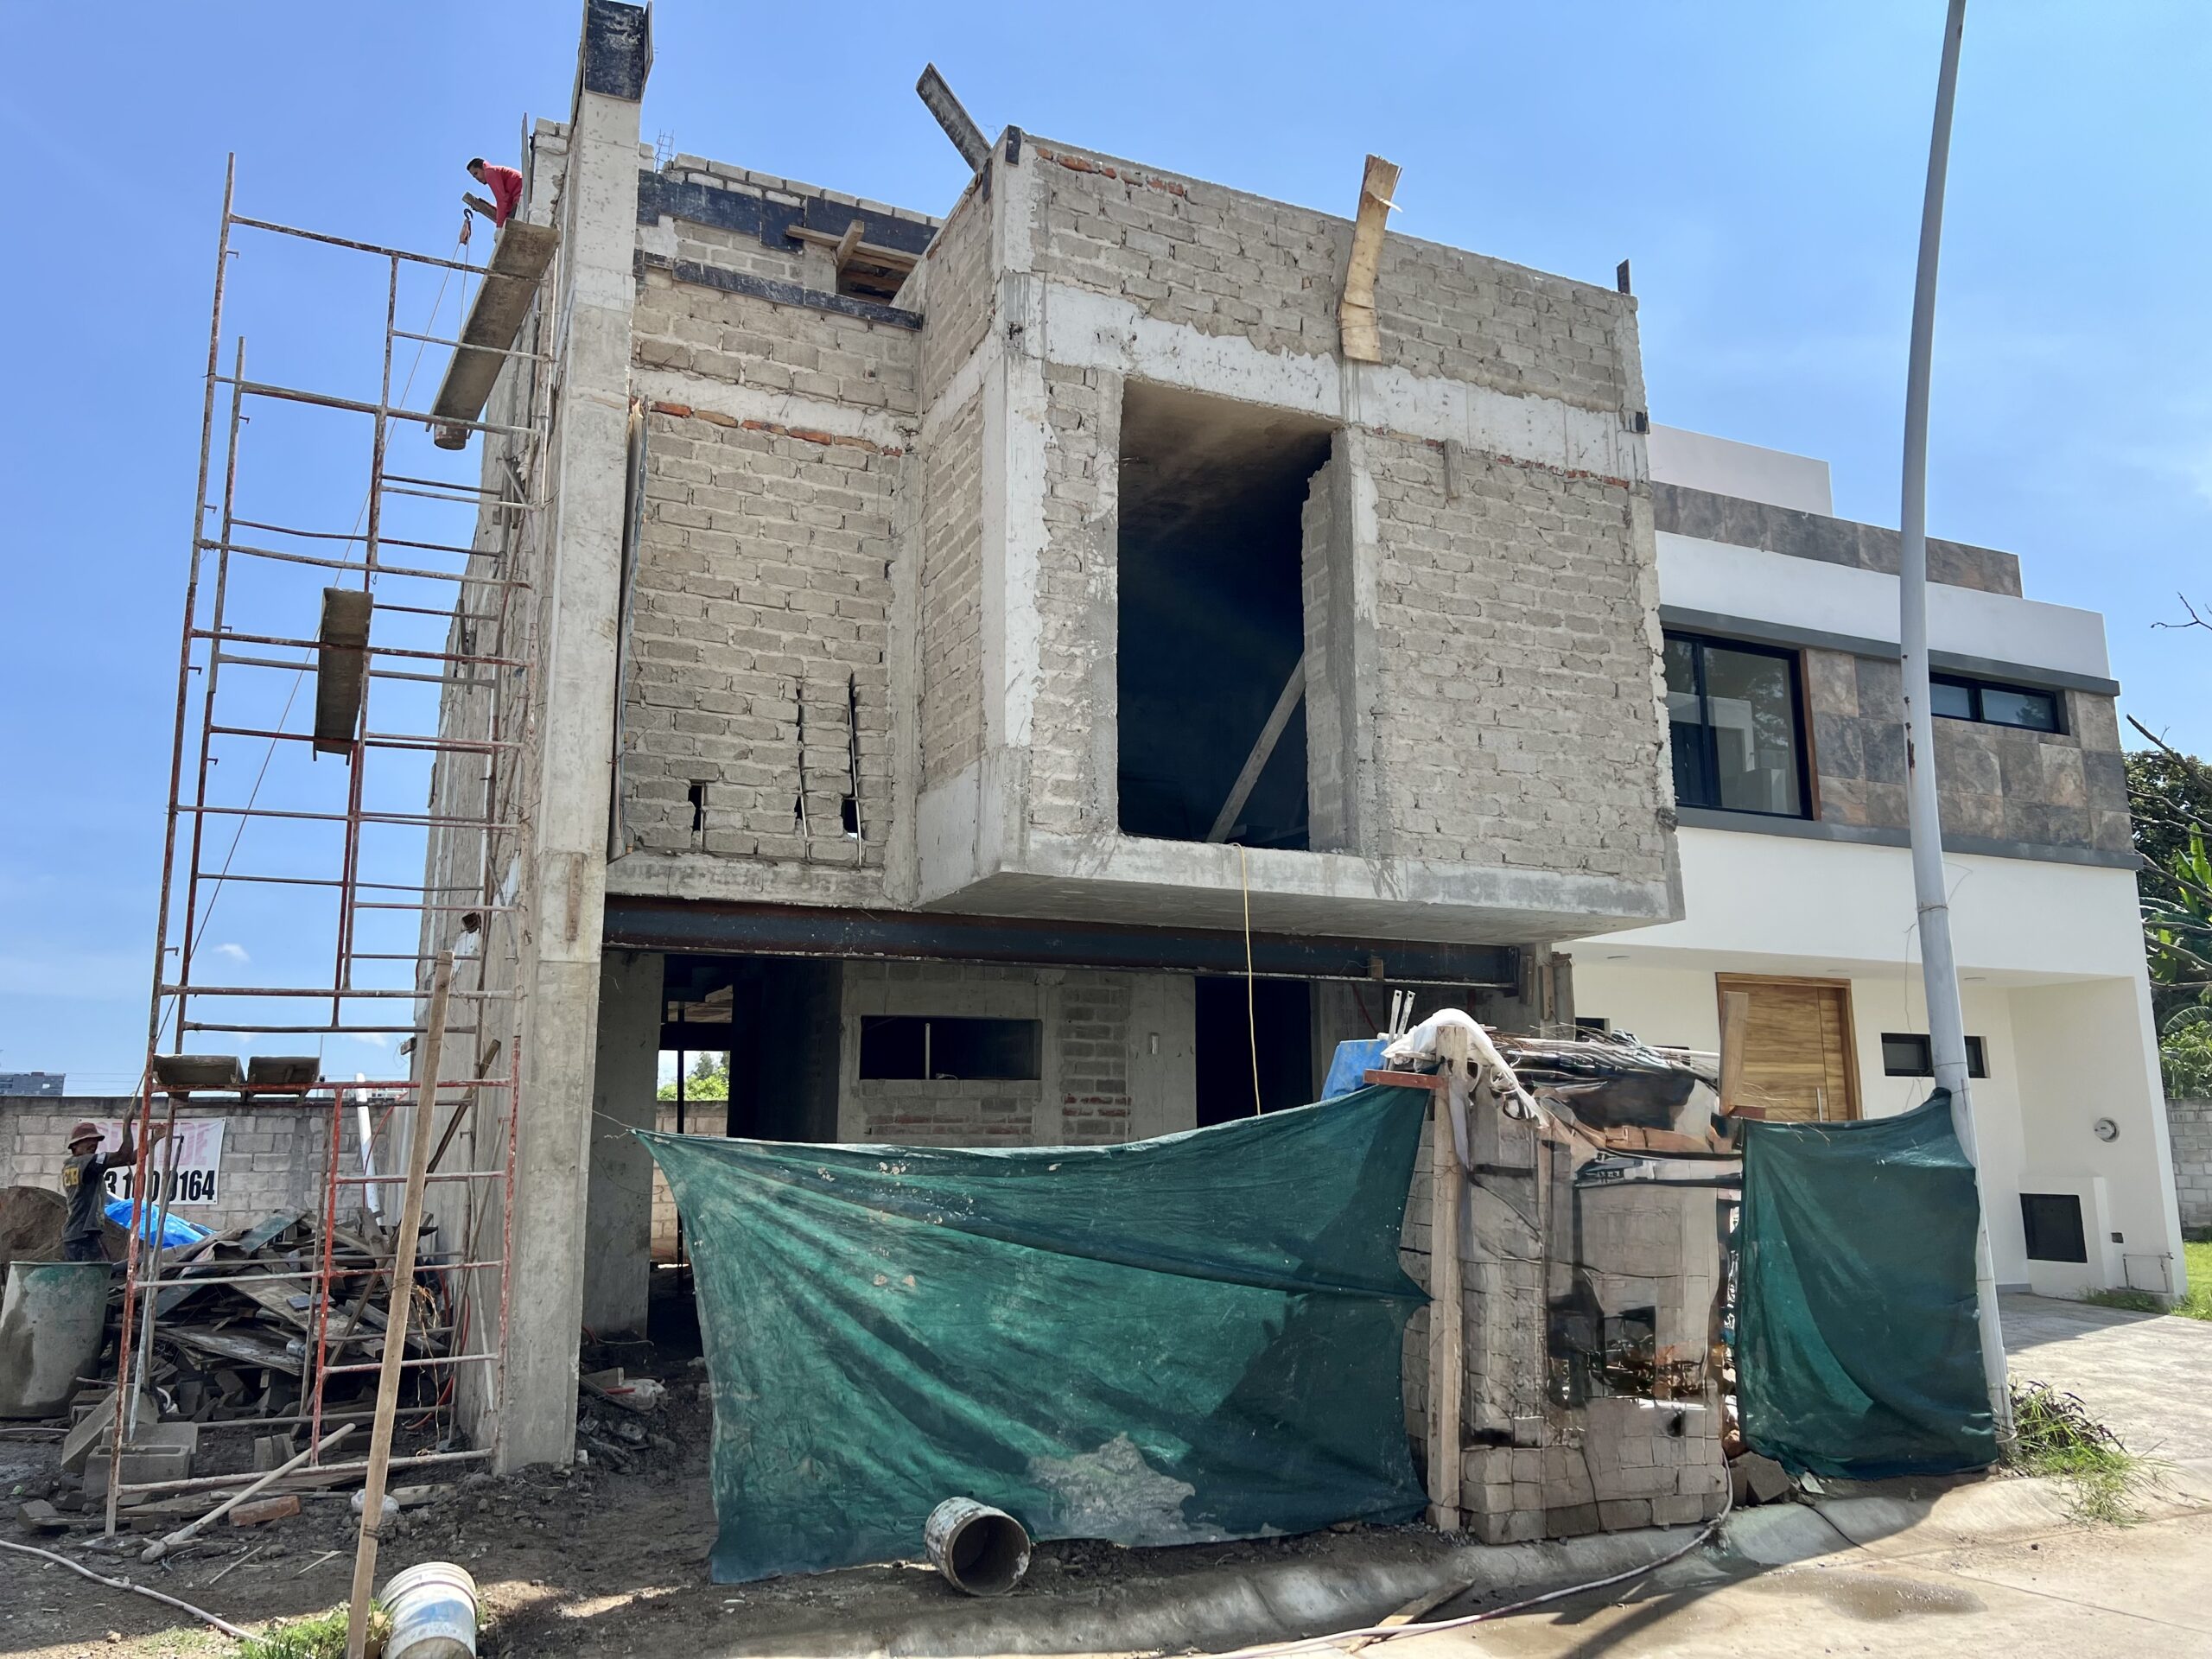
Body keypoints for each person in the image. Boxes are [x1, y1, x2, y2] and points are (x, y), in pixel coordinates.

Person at [60, 1118, 164, 1264]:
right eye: (88, 1140)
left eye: (96, 1140)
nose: (93, 1143)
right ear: (74, 1146)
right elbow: (124, 1156)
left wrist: (154, 1139)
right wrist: (127, 1124)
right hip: (82, 1235)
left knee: (97, 1269)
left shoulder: (74, 1164)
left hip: (78, 1234)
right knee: (97, 1271)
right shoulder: (86, 1162)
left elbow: (131, 1159)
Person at [465, 157, 524, 230]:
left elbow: (502, 200)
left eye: (476, 173)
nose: (477, 178)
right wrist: (486, 206)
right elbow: (505, 203)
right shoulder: (493, 172)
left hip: (521, 194)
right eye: (474, 177)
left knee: (509, 226)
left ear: (483, 167)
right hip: (520, 194)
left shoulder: (489, 172)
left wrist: (499, 227)